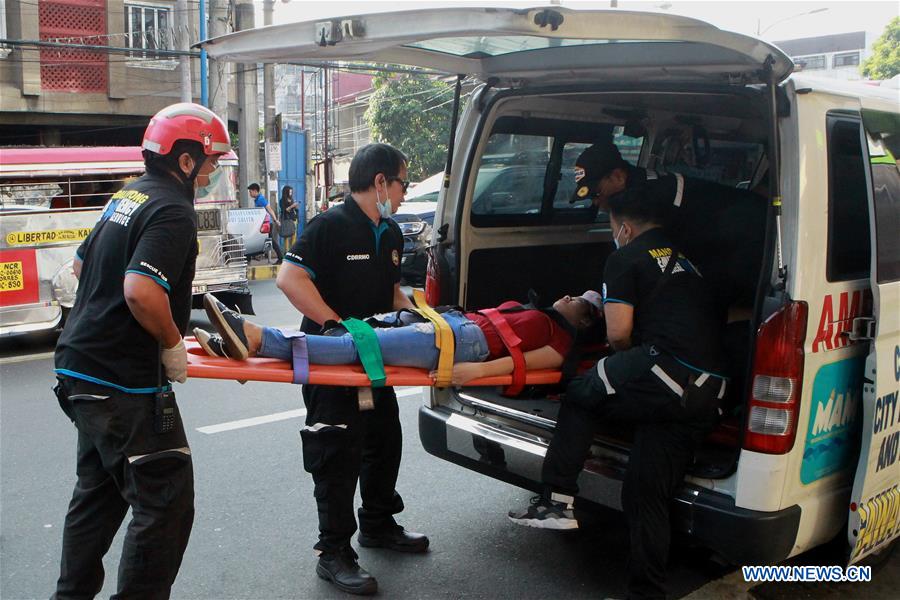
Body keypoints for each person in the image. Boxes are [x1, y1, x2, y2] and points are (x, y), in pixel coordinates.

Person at [509, 188, 727, 600]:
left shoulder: (624, 258)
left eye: (612, 227)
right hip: (709, 392)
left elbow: (619, 334)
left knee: (581, 392)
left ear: (624, 227)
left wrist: (620, 364)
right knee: (646, 490)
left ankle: (555, 501)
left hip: (668, 371)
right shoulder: (687, 261)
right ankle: (646, 593)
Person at [52, 102, 230, 599]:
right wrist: (172, 343)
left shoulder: (127, 196)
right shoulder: (172, 210)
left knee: (100, 495)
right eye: (211, 160)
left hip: (80, 371)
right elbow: (140, 291)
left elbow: (83, 266)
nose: (213, 171)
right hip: (121, 384)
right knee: (165, 500)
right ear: (186, 160)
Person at [271, 143, 420, 596]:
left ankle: (377, 522)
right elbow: (289, 279)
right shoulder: (329, 226)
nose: (403, 191)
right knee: (336, 453)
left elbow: (393, 294)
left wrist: (424, 318)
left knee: (383, 440)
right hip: (331, 360)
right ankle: (333, 552)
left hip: (375, 360)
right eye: (402, 182)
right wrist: (333, 326)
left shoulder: (390, 232)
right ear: (380, 183)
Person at [193, 290, 603, 385]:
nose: (568, 297)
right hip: (454, 327)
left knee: (358, 348)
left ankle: (256, 338)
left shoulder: (561, 342)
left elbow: (527, 363)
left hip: (461, 345)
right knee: (359, 332)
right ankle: (236, 347)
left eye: (579, 303)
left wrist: (474, 371)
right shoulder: (539, 313)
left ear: (584, 322)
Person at [571, 141, 768, 316]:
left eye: (596, 193)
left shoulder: (652, 199)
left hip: (745, 234)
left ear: (618, 176)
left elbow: (644, 260)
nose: (596, 201)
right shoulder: (635, 190)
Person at [249, 182, 283, 263]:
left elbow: (269, 209)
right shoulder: (257, 199)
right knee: (261, 239)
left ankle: (280, 257)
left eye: (250, 191)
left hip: (267, 224)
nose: (250, 193)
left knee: (271, 241)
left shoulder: (261, 199)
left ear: (255, 191)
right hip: (262, 224)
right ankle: (254, 255)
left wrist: (275, 220)